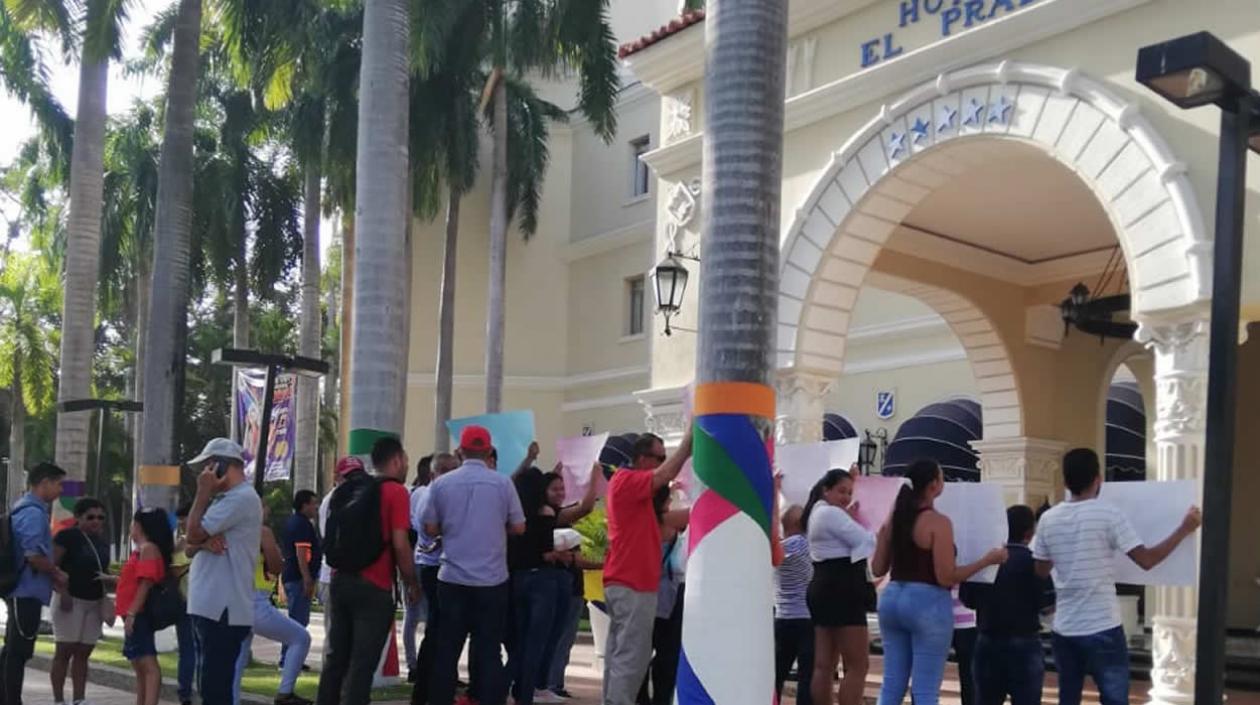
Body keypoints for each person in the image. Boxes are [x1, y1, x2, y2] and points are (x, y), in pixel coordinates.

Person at [1032, 448, 1201, 705]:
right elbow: (1147, 560)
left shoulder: (1047, 519)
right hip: (1103, 626)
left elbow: (1041, 571)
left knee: (1068, 697)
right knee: (1114, 699)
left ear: (1065, 482)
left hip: (1064, 627)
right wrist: (1183, 529)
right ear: (1098, 479)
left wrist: (1067, 552)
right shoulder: (1108, 514)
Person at [870, 460, 1006, 705]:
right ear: (933, 485)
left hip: (891, 599)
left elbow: (877, 568)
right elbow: (946, 576)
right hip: (927, 603)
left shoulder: (894, 520)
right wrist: (986, 560)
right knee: (925, 689)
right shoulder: (937, 522)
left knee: (891, 684)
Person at [422, 426, 526, 705]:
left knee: (447, 649)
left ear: (460, 451)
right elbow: (519, 526)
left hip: (452, 578)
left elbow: (429, 527)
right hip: (492, 581)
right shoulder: (503, 484)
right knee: (488, 651)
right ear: (489, 451)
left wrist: (453, 527)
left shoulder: (442, 484)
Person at [317, 439, 419, 705]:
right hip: (374, 587)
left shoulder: (352, 489)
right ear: (396, 460)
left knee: (335, 659)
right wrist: (411, 583)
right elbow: (400, 543)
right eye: (405, 460)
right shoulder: (396, 493)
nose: (407, 465)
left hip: (341, 580)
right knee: (362, 665)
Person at [601, 433, 692, 705]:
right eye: (659, 458)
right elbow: (662, 477)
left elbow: (665, 525)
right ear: (642, 459)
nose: (663, 463)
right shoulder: (627, 481)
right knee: (631, 656)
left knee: (621, 655)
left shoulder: (632, 492)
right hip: (632, 583)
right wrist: (687, 444)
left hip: (627, 581)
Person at [507, 462, 600, 705]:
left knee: (520, 642)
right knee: (537, 642)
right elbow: (547, 549)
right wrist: (594, 479)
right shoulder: (545, 514)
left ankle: (503, 687)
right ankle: (526, 693)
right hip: (543, 582)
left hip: (518, 579)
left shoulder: (512, 515)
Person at [184, 438, 264, 705]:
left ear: (220, 465)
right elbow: (189, 543)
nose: (204, 474)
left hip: (223, 609)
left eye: (208, 466)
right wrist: (203, 542)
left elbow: (193, 532)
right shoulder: (226, 500)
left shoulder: (240, 498)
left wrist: (202, 493)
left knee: (214, 689)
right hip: (209, 607)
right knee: (208, 686)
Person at [959, 506, 1054, 705]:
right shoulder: (1035, 563)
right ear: (1030, 532)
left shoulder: (987, 561)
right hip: (1025, 642)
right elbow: (1047, 606)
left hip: (988, 639)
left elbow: (968, 599)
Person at [802, 469, 874, 705]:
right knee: (857, 664)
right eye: (842, 491)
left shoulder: (817, 513)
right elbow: (866, 540)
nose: (846, 497)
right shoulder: (831, 514)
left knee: (824, 664)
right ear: (826, 490)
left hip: (822, 584)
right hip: (842, 587)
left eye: (850, 492)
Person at [1, 461, 68, 705]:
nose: (61, 490)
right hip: (25, 590)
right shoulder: (32, 513)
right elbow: (32, 555)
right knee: (18, 652)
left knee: (13, 649)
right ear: (44, 483)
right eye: (59, 484)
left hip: (23, 589)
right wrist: (56, 573)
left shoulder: (26, 509)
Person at [232, 506, 313, 705]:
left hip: (235, 599)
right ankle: (285, 692)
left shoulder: (230, 532)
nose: (267, 509)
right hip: (256, 600)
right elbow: (277, 565)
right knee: (301, 638)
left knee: (237, 663)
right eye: (262, 505)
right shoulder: (262, 532)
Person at [50, 498, 113, 705]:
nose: (96, 521)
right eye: (91, 517)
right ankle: (59, 700)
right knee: (64, 650)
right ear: (78, 518)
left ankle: (79, 698)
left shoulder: (102, 542)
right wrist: (63, 592)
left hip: (94, 601)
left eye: (100, 517)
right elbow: (52, 567)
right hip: (70, 599)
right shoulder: (68, 536)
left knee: (84, 652)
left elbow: (104, 571)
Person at [410, 452, 459, 702]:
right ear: (433, 474)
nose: (452, 474)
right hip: (433, 569)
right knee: (438, 633)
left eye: (455, 469)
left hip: (443, 569)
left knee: (442, 633)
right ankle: (427, 689)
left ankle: (433, 688)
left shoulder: (446, 494)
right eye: (446, 470)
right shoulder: (430, 495)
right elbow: (429, 531)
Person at [637, 486, 689, 705]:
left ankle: (640, 698)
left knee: (640, 652)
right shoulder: (667, 521)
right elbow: (695, 512)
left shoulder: (641, 522)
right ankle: (661, 698)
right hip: (670, 594)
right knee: (667, 655)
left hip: (644, 592)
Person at [116, 508, 174, 705]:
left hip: (139, 612)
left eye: (133, 523)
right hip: (133, 612)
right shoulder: (141, 550)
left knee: (147, 663)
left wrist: (132, 613)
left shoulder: (148, 548)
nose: (131, 527)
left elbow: (146, 583)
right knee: (139, 662)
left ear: (140, 526)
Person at [773, 505, 813, 705]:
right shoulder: (800, 544)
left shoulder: (780, 548)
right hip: (806, 619)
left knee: (776, 674)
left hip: (782, 618)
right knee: (807, 677)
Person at [280, 489, 322, 671]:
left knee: (296, 620)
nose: (316, 507)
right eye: (313, 503)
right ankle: (287, 659)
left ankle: (290, 657)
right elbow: (301, 553)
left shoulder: (294, 522)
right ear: (304, 505)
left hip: (292, 576)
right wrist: (307, 578)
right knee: (297, 621)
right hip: (298, 578)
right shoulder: (302, 525)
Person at [404, 455, 434, 676]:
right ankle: (418, 665)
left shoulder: (413, 493)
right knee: (423, 616)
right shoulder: (424, 493)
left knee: (412, 615)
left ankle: (415, 663)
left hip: (415, 558)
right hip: (423, 559)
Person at [173, 504, 197, 705]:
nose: (181, 522)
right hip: (184, 604)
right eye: (179, 518)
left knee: (201, 650)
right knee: (188, 650)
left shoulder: (202, 542)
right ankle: (185, 692)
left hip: (203, 604)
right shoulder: (177, 545)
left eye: (185, 517)